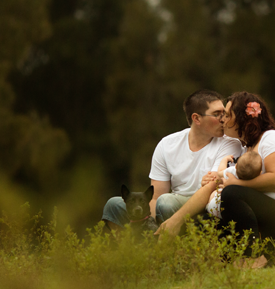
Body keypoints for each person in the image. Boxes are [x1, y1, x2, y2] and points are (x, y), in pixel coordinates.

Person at [156, 91, 275, 254]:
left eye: (227, 115)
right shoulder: (244, 149)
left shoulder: (272, 139)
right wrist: (216, 179)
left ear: (242, 119)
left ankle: (253, 256)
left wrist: (235, 183)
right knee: (199, 223)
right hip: (260, 216)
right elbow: (228, 181)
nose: (222, 120)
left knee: (231, 193)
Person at [101, 89, 243, 230]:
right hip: (168, 207)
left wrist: (175, 220)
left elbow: (210, 189)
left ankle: (170, 247)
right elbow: (155, 197)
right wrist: (149, 225)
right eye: (217, 114)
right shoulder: (167, 144)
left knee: (166, 203)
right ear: (197, 118)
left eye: (224, 114)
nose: (223, 119)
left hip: (204, 208)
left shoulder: (230, 143)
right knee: (114, 205)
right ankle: (130, 250)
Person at [205, 151, 275, 218]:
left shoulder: (231, 172)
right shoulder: (257, 182)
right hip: (230, 211)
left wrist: (225, 160)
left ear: (236, 166)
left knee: (215, 193)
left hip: (215, 206)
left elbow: (220, 171)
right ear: (260, 173)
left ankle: (208, 207)